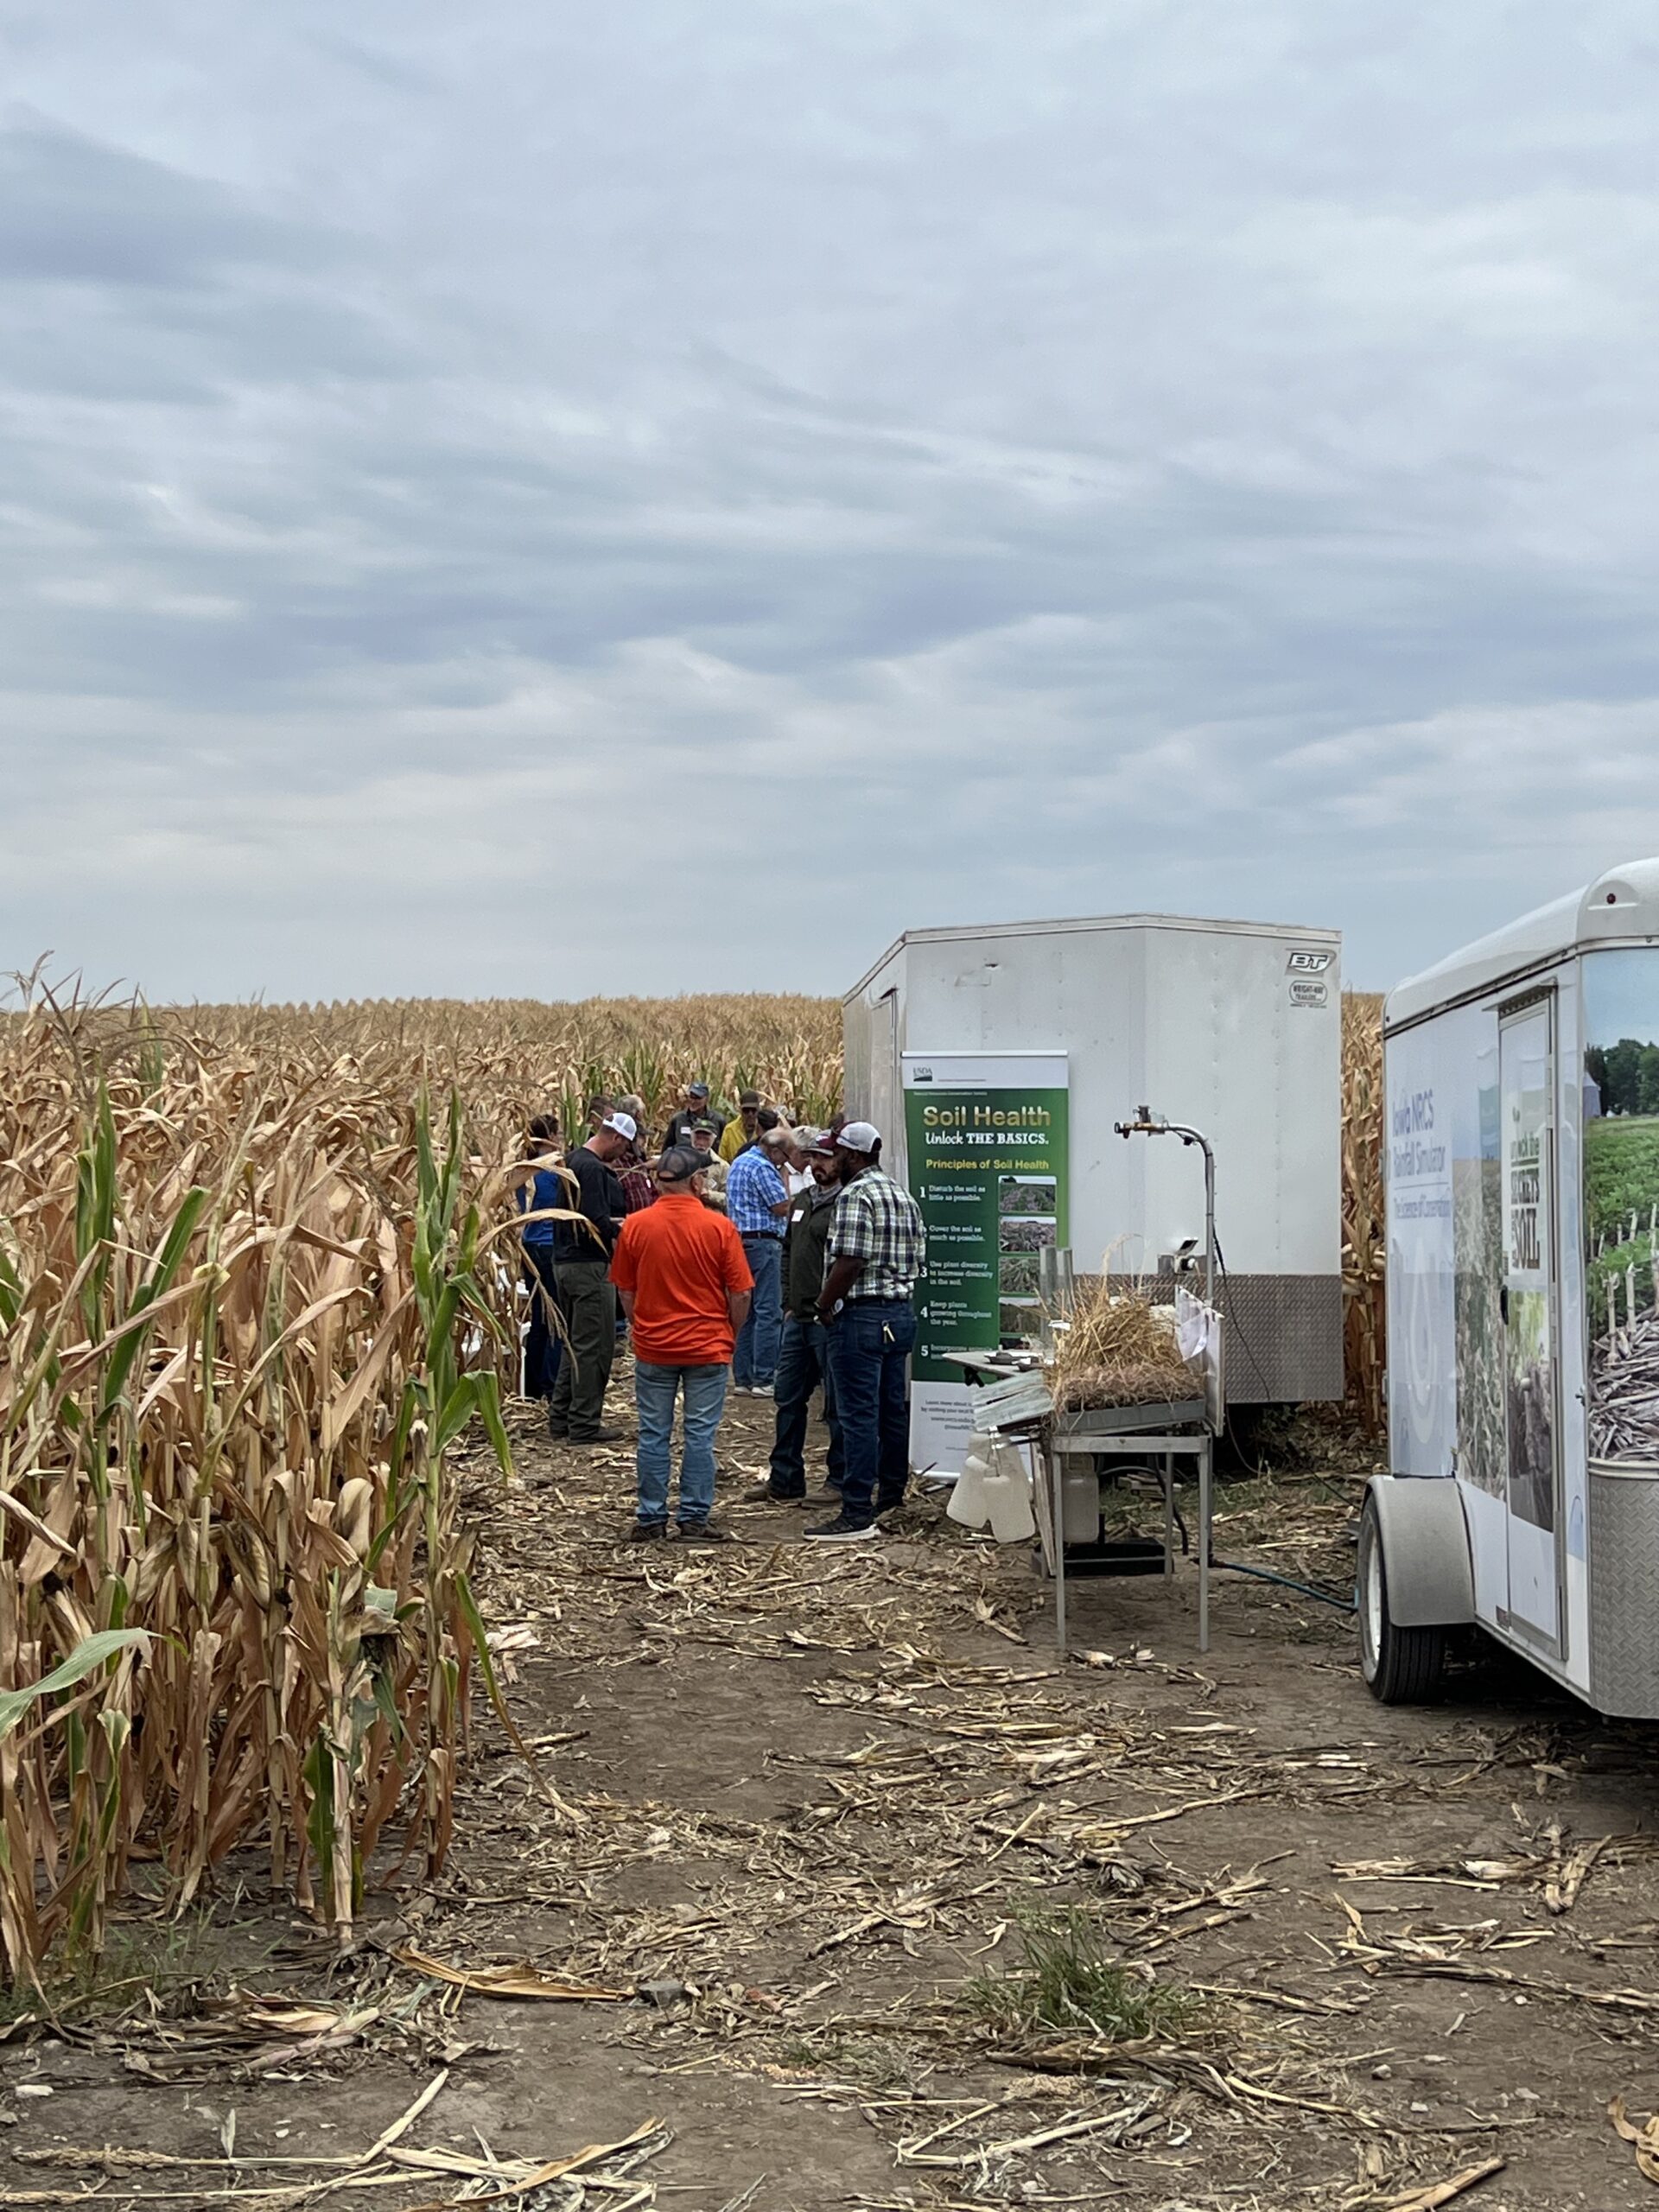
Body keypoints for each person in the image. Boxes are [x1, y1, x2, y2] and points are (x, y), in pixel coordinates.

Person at [610, 1147, 753, 1542]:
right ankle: (693, 1518)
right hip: (707, 1345)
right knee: (699, 1435)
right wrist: (731, 1333)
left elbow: (625, 1288)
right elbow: (740, 1293)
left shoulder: (636, 1226)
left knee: (654, 1433)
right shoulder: (719, 1227)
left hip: (655, 1346)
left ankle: (651, 1518)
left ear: (659, 1182)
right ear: (696, 1182)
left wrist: (641, 1324)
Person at [806, 1121, 925, 1541]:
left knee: (857, 1416)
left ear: (853, 1156)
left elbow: (851, 1261)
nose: (829, 1157)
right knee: (892, 1411)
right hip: (899, 1315)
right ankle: (891, 1499)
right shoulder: (902, 1195)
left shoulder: (855, 1195)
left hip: (861, 1316)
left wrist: (823, 1305)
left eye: (836, 1151)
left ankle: (856, 1512)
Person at [751, 1132, 845, 1503]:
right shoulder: (803, 1200)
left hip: (829, 1320)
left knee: (836, 1405)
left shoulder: (847, 1202)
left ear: (840, 1161)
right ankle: (785, 1478)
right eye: (812, 1157)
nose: (816, 1164)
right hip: (798, 1319)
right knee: (788, 1399)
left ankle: (838, 1480)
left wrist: (831, 1304)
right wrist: (789, 1301)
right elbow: (788, 1251)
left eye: (824, 1157)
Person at [547, 1110, 635, 1444]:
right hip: (589, 1266)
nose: (623, 1155)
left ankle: (561, 1418)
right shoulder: (593, 1169)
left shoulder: (571, 1161)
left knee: (575, 1344)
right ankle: (584, 1423)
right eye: (623, 1147)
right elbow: (595, 1218)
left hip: (564, 1263)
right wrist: (626, 1229)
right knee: (595, 1347)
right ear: (616, 1138)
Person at [726, 1126, 791, 1394]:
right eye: (784, 1156)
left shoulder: (740, 1162)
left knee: (747, 1311)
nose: (785, 1161)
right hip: (764, 1241)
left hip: (741, 1241)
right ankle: (764, 1378)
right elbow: (781, 1206)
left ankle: (743, 1377)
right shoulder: (763, 1168)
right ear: (773, 1150)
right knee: (768, 1311)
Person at [515, 1113, 567, 1410]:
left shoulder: (523, 1169)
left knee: (538, 1319)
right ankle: (551, 1384)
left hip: (529, 1244)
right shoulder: (552, 1171)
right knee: (556, 1318)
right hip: (550, 1246)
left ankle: (532, 1387)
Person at [664, 1082, 723, 1151]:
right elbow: (667, 1148)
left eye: (698, 1098)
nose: (693, 1101)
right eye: (691, 1097)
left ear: (706, 1099)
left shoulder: (718, 1120)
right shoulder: (678, 1119)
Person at [689, 1119, 729, 1210]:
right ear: (691, 1137)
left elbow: (731, 1199)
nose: (701, 1143)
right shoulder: (680, 1162)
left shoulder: (722, 1166)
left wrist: (709, 1195)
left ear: (713, 1140)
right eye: (698, 1138)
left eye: (706, 1139)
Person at [718, 1090, 766, 1163]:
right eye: (746, 1110)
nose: (750, 1114)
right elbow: (722, 1159)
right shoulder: (730, 1130)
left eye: (753, 1110)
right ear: (740, 1111)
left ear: (759, 1110)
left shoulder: (765, 1129)